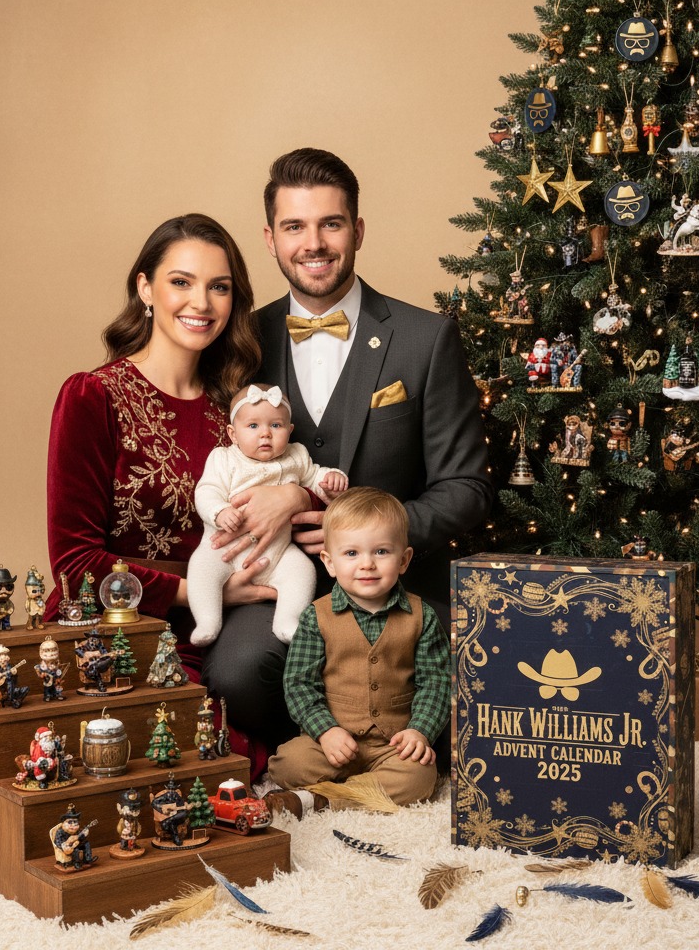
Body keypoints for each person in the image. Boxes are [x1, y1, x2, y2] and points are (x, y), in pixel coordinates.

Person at [202, 149, 492, 755]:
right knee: (233, 675)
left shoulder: (425, 338)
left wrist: (366, 535)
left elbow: (466, 489)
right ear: (270, 238)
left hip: (393, 584)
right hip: (285, 586)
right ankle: (323, 751)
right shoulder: (240, 342)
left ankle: (391, 751)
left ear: (356, 230)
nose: (314, 243)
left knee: (476, 674)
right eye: (294, 227)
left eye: (331, 224)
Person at [44, 213, 278, 769]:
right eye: (181, 282)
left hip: (220, 628)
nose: (201, 302)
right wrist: (205, 593)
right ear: (145, 288)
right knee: (146, 758)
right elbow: (75, 564)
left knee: (219, 749)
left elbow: (294, 484)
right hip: (113, 622)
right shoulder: (92, 396)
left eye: (219, 287)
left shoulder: (242, 411)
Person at [266, 488, 448, 811]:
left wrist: (420, 731)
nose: (367, 565)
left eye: (381, 552)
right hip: (333, 743)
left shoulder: (421, 616)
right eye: (351, 554)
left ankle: (325, 799)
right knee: (286, 763)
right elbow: (299, 684)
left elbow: (436, 683)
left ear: (403, 560)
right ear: (329, 562)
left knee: (420, 776)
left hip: (392, 744)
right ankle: (356, 790)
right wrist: (326, 731)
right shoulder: (316, 617)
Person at [187, 382, 347, 647]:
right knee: (201, 569)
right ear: (233, 433)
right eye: (253, 426)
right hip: (224, 550)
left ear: (290, 430)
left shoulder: (296, 455)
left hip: (278, 552)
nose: (266, 435)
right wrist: (220, 511)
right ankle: (207, 621)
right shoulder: (223, 459)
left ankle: (287, 620)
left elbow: (315, 476)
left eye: (276, 426)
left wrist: (332, 479)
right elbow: (206, 491)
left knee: (302, 570)